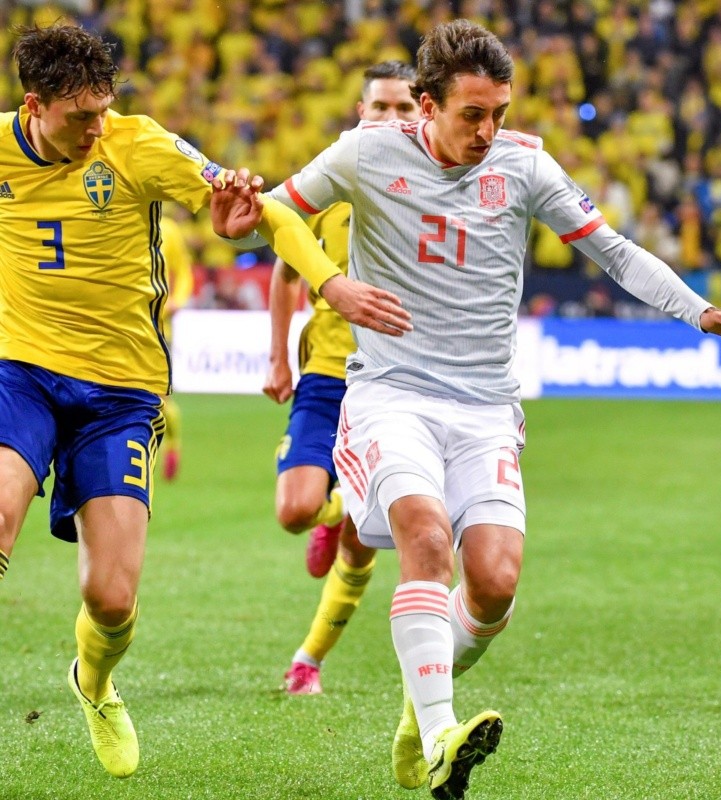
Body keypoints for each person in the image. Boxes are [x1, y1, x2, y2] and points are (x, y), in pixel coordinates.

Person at [211, 20, 721, 800]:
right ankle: (444, 734)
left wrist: (700, 311)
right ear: (426, 104)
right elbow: (274, 211)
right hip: (392, 394)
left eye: (499, 112)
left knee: (496, 582)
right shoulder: (368, 152)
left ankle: (419, 720)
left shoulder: (524, 163)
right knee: (425, 534)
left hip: (485, 406)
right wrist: (324, 279)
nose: (488, 130)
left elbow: (612, 250)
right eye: (472, 114)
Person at [0, 22, 409, 780]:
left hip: (121, 395)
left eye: (105, 109)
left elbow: (266, 211)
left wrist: (318, 274)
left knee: (112, 599)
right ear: (34, 106)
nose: (98, 128)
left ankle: (93, 681)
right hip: (18, 371)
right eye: (81, 117)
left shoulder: (139, 143)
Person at [263, 61, 421, 695]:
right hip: (329, 375)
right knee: (296, 511)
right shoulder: (329, 186)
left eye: (403, 108)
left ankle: (309, 660)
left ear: (425, 113)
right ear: (361, 112)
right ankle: (332, 507)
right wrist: (278, 356)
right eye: (379, 106)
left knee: (363, 543)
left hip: (401, 382)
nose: (389, 118)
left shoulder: (438, 190)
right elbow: (282, 270)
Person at [160, 208, 195, 481]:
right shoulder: (116, 217)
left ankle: (172, 445)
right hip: (120, 327)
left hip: (159, 327)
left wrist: (177, 301)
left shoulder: (169, 230)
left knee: (161, 399)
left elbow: (183, 272)